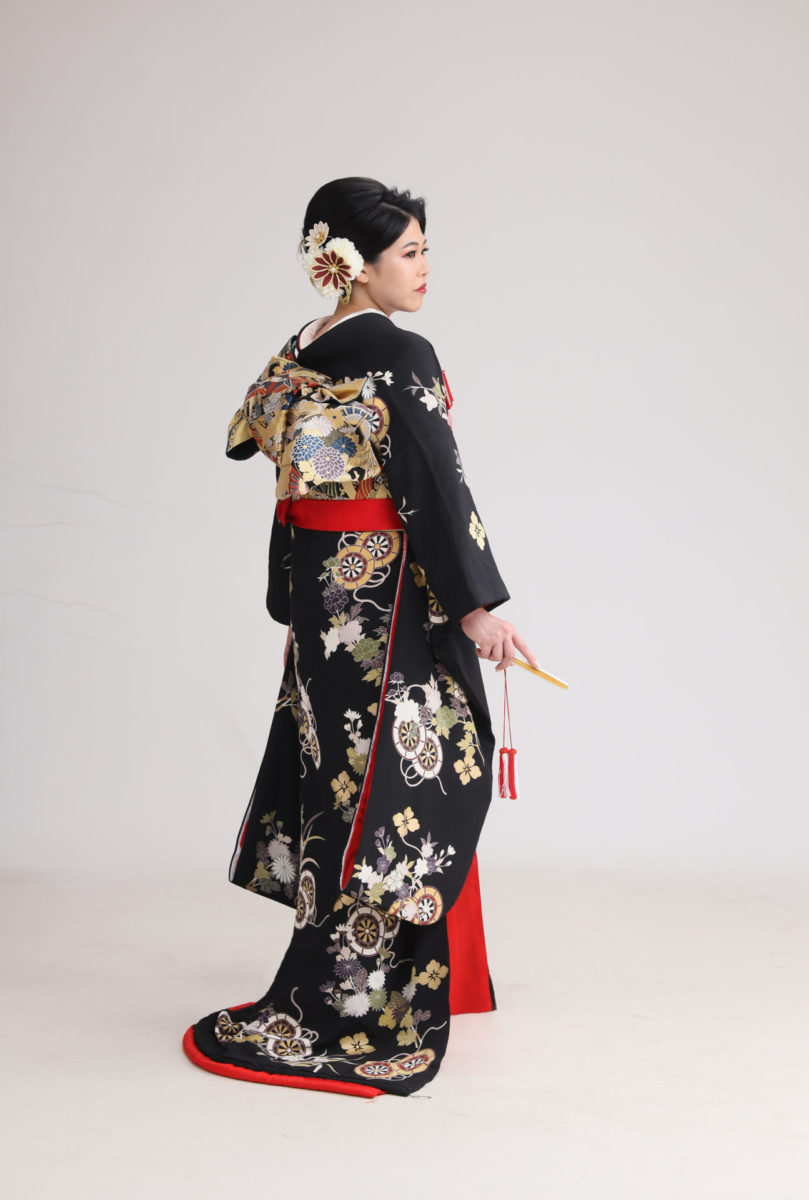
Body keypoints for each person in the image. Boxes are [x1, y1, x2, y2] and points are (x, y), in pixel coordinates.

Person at [182, 177, 539, 1097]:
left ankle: (400, 964)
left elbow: (264, 449)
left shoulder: (302, 349)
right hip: (385, 599)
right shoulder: (399, 352)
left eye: (424, 250)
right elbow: (433, 480)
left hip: (323, 595)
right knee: (403, 784)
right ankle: (358, 992)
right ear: (352, 262)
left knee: (342, 782)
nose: (424, 268)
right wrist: (475, 607)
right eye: (409, 252)